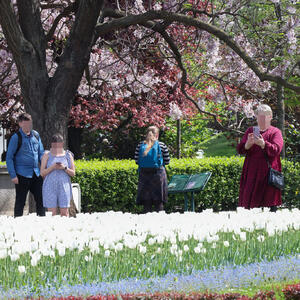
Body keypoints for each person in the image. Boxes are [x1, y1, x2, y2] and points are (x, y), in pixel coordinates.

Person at [237, 104, 283, 212]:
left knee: (268, 201)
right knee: (250, 202)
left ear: (270, 117)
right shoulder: (250, 131)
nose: (262, 119)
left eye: (265, 116)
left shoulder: (275, 132)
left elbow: (276, 149)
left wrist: (264, 144)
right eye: (259, 116)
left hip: (268, 173)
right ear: (256, 117)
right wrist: (247, 144)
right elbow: (240, 149)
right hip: (252, 171)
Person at [6, 113, 45, 217]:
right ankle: (17, 225)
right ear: (20, 124)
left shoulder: (36, 135)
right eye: (26, 124)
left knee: (41, 200)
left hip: (36, 174)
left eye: (30, 124)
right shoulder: (15, 138)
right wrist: (13, 175)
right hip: (21, 175)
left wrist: (44, 168)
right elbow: (9, 157)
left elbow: (41, 153)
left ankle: (43, 224)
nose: (28, 126)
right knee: (20, 202)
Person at [135, 126, 170, 213]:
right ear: (157, 135)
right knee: (159, 201)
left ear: (146, 134)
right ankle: (159, 222)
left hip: (144, 175)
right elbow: (167, 161)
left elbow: (136, 160)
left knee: (146, 201)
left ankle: (146, 222)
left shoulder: (140, 145)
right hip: (158, 175)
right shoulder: (161, 145)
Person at [40, 133, 75, 216]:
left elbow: (73, 173)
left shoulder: (68, 155)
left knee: (65, 212)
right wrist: (52, 167)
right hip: (50, 186)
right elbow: (42, 173)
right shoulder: (46, 155)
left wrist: (64, 168)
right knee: (51, 213)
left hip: (64, 186)